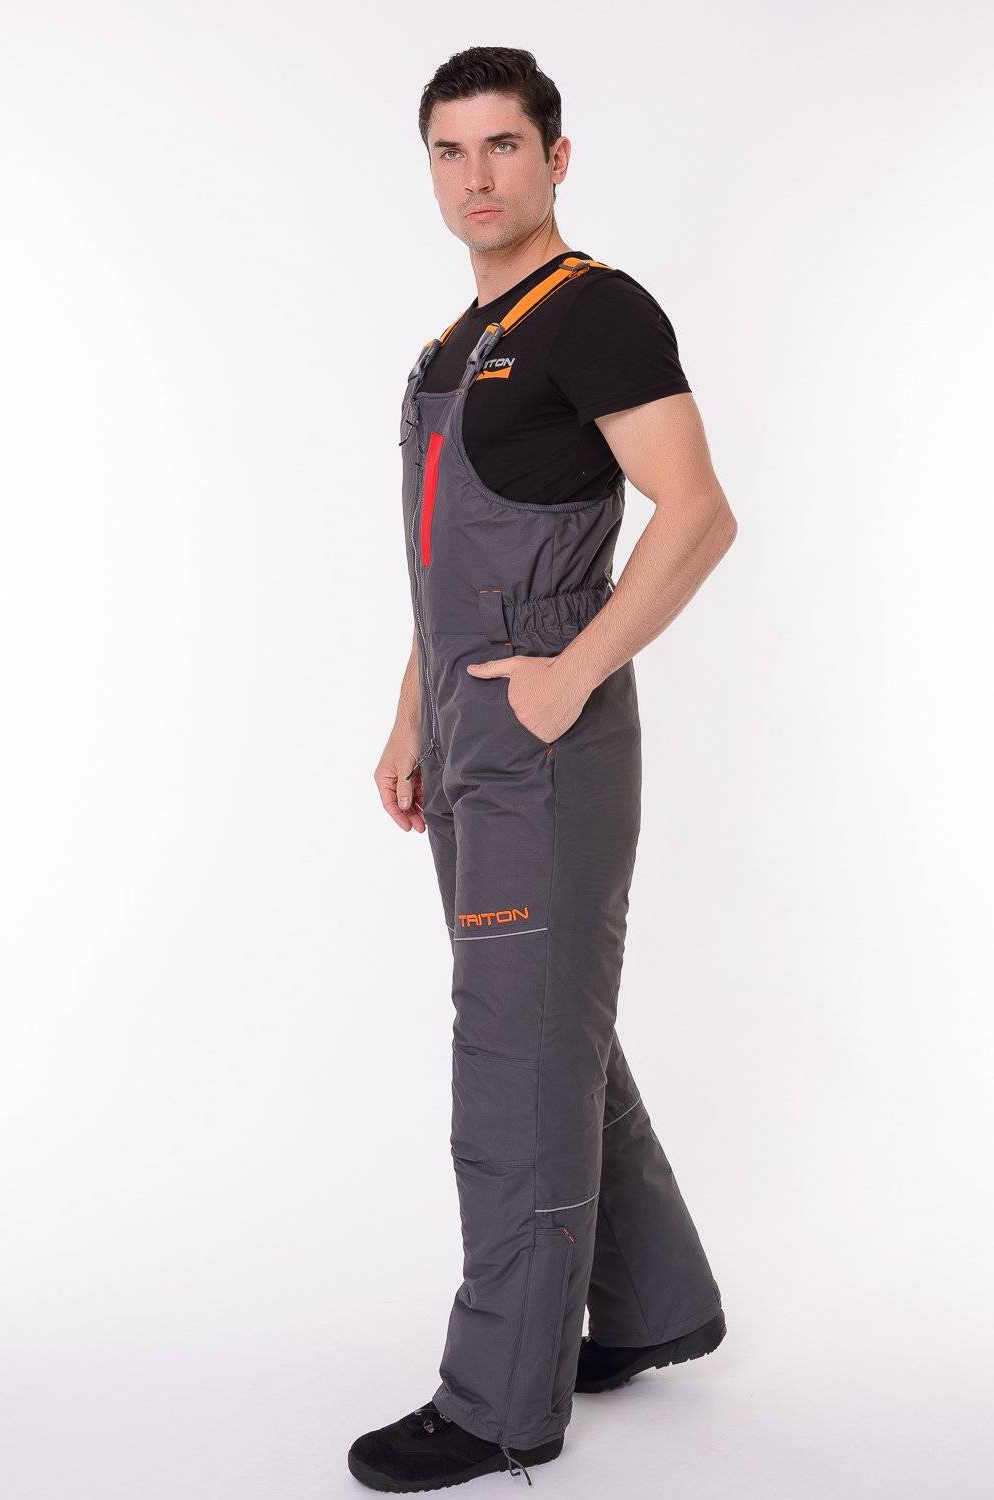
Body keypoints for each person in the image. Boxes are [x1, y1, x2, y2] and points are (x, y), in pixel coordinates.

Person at [352, 44, 738, 1493]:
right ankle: (649, 1307)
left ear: (555, 157)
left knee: (515, 1057)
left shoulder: (597, 314)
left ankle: (502, 1405)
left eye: (503, 146)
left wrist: (573, 675)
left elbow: (696, 513)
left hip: (549, 748)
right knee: (550, 1024)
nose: (476, 177)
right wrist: (412, 718)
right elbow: (445, 570)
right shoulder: (454, 345)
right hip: (468, 744)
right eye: (449, 151)